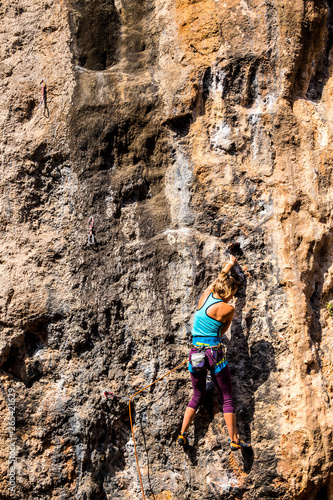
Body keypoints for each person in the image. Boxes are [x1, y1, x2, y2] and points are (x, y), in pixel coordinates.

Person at [178, 255, 250, 451]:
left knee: (197, 395)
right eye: (232, 293)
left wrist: (229, 263)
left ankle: (182, 434)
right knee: (226, 397)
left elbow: (220, 277)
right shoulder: (228, 309)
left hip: (196, 354)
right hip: (214, 354)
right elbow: (222, 331)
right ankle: (234, 439)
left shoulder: (206, 294)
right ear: (229, 293)